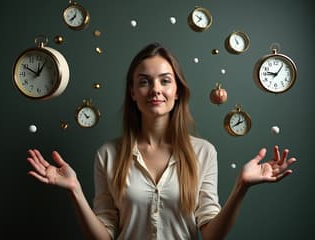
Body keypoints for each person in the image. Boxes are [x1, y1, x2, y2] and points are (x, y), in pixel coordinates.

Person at [27, 42, 296, 240]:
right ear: (132, 92)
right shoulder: (107, 155)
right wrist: (74, 190)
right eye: (144, 82)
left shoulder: (203, 152)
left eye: (165, 81)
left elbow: (211, 235)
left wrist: (241, 187)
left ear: (177, 91)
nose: (155, 89)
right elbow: (104, 235)